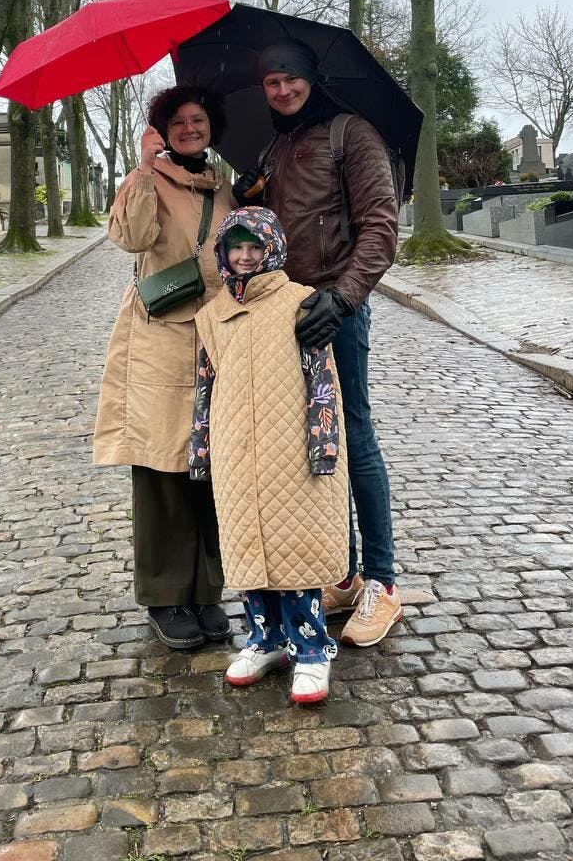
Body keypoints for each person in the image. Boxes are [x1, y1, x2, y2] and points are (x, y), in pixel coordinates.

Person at [231, 40, 401, 647]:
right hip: (285, 312)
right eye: (271, 82)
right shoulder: (274, 148)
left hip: (336, 311)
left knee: (354, 435)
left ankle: (382, 582)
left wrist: (344, 297)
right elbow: (273, 232)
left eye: (291, 79)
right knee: (314, 444)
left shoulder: (352, 134)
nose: (282, 91)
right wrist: (249, 196)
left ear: (311, 79)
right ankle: (344, 575)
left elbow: (381, 226)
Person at [189, 206, 349, 704]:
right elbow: (205, 384)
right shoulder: (211, 314)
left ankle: (311, 648)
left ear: (272, 249)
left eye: (253, 247)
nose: (244, 256)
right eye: (235, 247)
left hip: (292, 449)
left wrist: (324, 443)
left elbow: (322, 379)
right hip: (236, 448)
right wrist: (202, 447)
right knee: (246, 548)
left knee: (295, 548)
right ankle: (265, 638)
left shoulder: (301, 302)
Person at [94, 84, 234, 650]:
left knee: (211, 465)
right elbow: (131, 238)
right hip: (160, 339)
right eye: (178, 122)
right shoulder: (149, 178)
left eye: (199, 119)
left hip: (218, 339)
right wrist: (142, 169)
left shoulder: (225, 186)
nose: (190, 128)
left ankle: (206, 592)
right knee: (163, 466)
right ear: (163, 131)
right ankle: (164, 595)